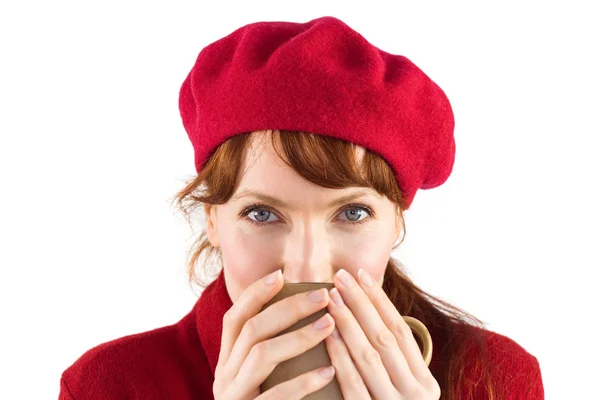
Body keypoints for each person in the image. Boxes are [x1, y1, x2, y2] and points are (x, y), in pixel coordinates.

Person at [58, 16, 544, 400]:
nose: (307, 265)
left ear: (397, 221)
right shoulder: (109, 385)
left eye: (352, 213)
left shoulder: (494, 379)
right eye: (262, 214)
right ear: (212, 220)